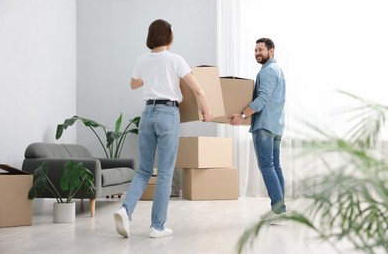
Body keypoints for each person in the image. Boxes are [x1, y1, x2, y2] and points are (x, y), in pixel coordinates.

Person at [113, 19, 213, 238]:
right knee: (166, 172)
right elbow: (198, 90)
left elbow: (133, 84)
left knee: (144, 170)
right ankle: (157, 227)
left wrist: (151, 78)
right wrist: (206, 112)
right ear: (168, 36)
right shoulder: (175, 59)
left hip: (147, 114)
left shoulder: (142, 59)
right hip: (168, 114)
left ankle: (125, 209)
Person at [230, 37, 286, 219]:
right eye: (255, 50)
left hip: (264, 126)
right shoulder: (277, 70)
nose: (257, 53)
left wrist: (242, 115)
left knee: (267, 166)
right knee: (275, 166)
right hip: (276, 125)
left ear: (272, 51)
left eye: (260, 50)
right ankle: (280, 208)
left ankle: (278, 211)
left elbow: (262, 100)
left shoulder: (268, 71)